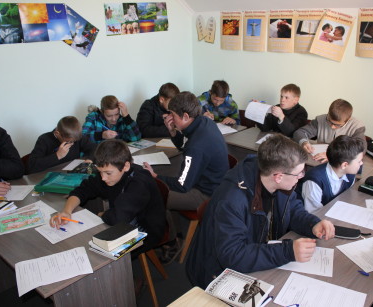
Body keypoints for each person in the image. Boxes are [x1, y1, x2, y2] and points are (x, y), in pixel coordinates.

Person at [186, 134, 335, 288]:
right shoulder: (231, 200)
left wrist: (312, 224)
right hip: (217, 273)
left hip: (254, 254)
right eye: (299, 174)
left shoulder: (273, 176)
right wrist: (287, 252)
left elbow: (293, 208)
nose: (301, 177)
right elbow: (233, 255)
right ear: (278, 176)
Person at [144, 91, 229, 262]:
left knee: (156, 194)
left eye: (172, 115)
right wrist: (173, 132)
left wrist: (155, 176)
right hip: (217, 183)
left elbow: (182, 185)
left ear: (184, 115)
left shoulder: (197, 145)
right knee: (165, 183)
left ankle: (173, 241)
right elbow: (186, 146)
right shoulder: (204, 122)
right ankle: (177, 233)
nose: (169, 118)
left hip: (207, 194)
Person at [50, 139, 165, 255]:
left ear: (125, 166)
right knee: (88, 244)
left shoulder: (139, 183)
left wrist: (102, 214)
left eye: (108, 173)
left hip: (147, 230)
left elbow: (117, 218)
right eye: (100, 172)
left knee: (97, 254)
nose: (103, 178)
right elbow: (82, 190)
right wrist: (66, 211)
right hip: (123, 219)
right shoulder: (109, 172)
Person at [296, 135, 365, 213]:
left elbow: (347, 199)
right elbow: (313, 213)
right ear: (344, 165)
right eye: (359, 161)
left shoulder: (350, 174)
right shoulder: (314, 181)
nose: (361, 163)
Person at [293, 99, 366, 163]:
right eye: (329, 121)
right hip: (319, 160)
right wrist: (304, 142)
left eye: (337, 125)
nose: (332, 126)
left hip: (342, 163)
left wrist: (333, 155)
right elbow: (299, 132)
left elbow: (361, 149)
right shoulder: (320, 120)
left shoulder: (357, 127)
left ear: (349, 119)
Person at [27, 116, 97, 174]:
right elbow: (32, 166)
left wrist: (90, 159)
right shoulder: (44, 140)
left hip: (71, 175)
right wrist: (57, 156)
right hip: (49, 176)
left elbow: (94, 148)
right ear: (57, 133)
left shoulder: (76, 137)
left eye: (74, 141)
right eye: (69, 141)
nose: (72, 143)